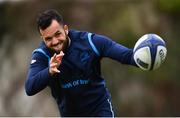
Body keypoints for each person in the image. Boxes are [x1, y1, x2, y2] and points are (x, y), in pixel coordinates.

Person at [25, 9, 137, 117]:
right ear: (43, 39)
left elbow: (127, 56)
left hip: (99, 110)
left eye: (58, 34)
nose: (55, 42)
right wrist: (49, 71)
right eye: (48, 39)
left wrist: (144, 58)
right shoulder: (42, 55)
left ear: (65, 29)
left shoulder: (89, 42)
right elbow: (30, 87)